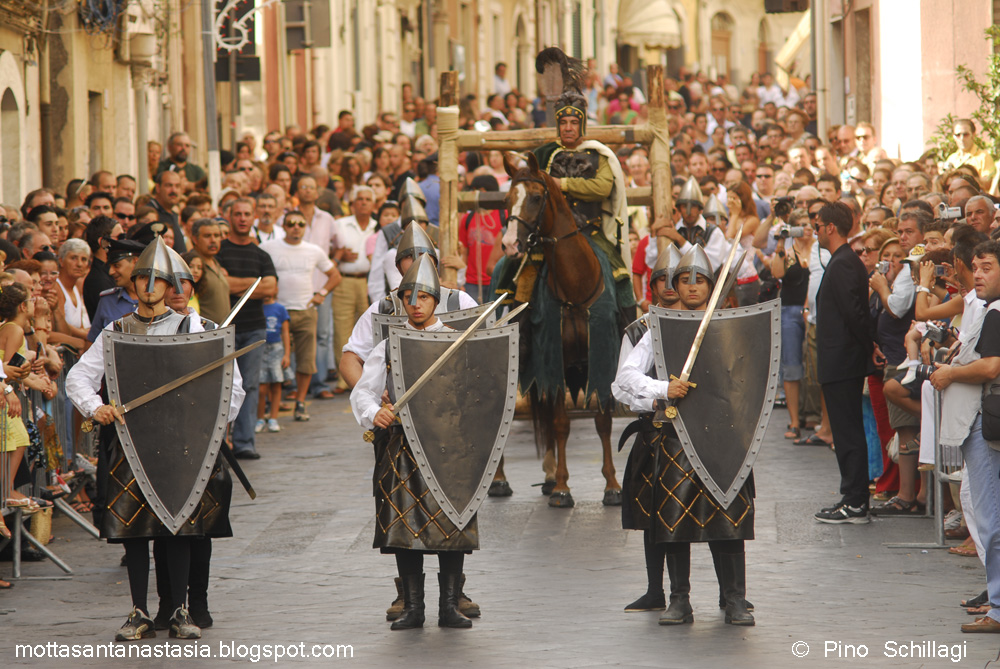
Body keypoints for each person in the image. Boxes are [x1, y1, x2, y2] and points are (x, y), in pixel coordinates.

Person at [65, 237, 245, 641]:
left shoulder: (198, 328)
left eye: (157, 280)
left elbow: (232, 389)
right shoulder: (117, 330)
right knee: (136, 531)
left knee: (178, 526)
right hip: (131, 444)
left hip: (184, 446)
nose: (149, 286)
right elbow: (78, 378)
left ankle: (181, 609)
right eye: (142, 278)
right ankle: (139, 611)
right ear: (134, 284)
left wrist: (208, 426)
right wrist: (97, 409)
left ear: (171, 286)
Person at [613, 245, 756, 627]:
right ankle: (679, 599)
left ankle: (736, 599)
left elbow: (749, 381)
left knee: (729, 518)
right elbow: (624, 380)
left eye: (700, 279)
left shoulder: (731, 324)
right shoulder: (657, 326)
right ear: (674, 284)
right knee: (672, 519)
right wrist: (663, 389)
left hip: (724, 435)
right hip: (676, 436)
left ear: (712, 286)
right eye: (685, 279)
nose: (692, 286)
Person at [350, 254, 478, 630]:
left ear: (435, 300)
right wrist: (375, 413)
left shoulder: (458, 343)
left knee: (451, 526)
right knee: (404, 528)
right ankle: (413, 607)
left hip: (449, 449)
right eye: (409, 297)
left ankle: (450, 606)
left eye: (423, 297)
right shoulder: (389, 345)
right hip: (402, 447)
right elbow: (364, 391)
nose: (415, 304)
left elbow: (476, 395)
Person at [813, 202, 878, 524]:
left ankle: (855, 501)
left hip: (843, 361)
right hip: (842, 359)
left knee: (848, 432)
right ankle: (853, 497)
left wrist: (869, 347)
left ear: (830, 228)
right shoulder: (843, 261)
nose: (815, 231)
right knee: (847, 431)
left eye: (817, 225)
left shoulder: (842, 263)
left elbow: (855, 313)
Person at [532, 87, 632, 278]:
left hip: (590, 231)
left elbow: (602, 188)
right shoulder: (545, 155)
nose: (568, 128)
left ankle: (629, 309)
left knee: (620, 278)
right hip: (549, 235)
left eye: (574, 122)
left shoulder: (598, 154)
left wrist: (561, 184)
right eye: (563, 123)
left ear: (582, 125)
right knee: (513, 272)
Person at [261, 209, 342, 420]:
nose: (295, 227)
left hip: (306, 310)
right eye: (290, 223)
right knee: (273, 358)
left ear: (305, 227)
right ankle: (271, 406)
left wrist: (321, 294)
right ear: (284, 226)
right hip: (278, 311)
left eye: (300, 224)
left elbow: (334, 275)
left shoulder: (314, 250)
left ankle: (300, 403)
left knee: (306, 360)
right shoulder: (269, 247)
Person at [217, 198, 279, 459]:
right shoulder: (218, 251)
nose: (242, 218)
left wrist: (234, 283)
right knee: (222, 387)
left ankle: (244, 441)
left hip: (254, 328)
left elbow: (271, 288)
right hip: (224, 328)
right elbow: (222, 285)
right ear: (229, 217)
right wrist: (253, 284)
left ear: (254, 217)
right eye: (237, 214)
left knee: (250, 385)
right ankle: (220, 443)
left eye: (247, 214)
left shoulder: (261, 254)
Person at [770, 209, 813, 440]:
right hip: (789, 311)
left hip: (814, 311)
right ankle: (794, 421)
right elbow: (777, 273)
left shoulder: (819, 250)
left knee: (815, 366)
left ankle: (813, 415)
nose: (806, 229)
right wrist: (781, 242)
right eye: (801, 225)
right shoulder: (786, 252)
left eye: (809, 224)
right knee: (792, 366)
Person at [88, 239, 146, 340]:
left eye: (116, 265)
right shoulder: (107, 301)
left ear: (135, 262)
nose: (111, 272)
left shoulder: (158, 299)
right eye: (110, 266)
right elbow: (91, 344)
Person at [256, 292, 289, 434]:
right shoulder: (256, 308)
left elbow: (285, 333)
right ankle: (260, 418)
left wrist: (287, 354)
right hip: (260, 347)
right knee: (261, 387)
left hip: (276, 348)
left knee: (276, 384)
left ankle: (273, 418)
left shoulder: (280, 309)